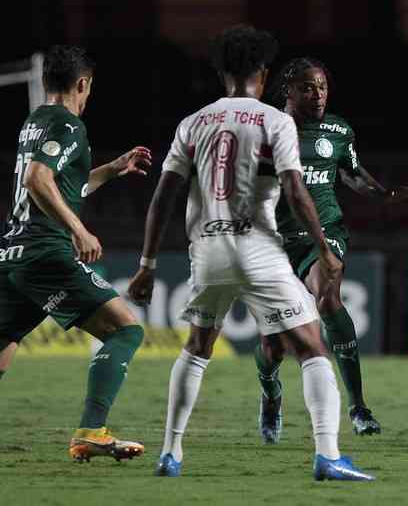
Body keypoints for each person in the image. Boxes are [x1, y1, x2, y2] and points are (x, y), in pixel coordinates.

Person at [127, 25, 374, 481]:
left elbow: (163, 197)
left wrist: (146, 264)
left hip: (207, 250)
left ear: (222, 73)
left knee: (197, 349)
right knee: (312, 348)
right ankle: (328, 456)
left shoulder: (192, 123)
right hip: (259, 246)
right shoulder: (274, 121)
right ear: (263, 74)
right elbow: (295, 191)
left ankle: (171, 453)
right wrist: (324, 248)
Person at [253, 57, 408, 442]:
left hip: (325, 233)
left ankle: (358, 407)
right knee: (274, 345)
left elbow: (350, 173)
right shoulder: (267, 128)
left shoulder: (338, 129)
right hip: (274, 240)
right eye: (308, 87)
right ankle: (270, 391)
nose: (318, 95)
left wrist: (383, 194)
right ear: (288, 92)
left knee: (328, 297)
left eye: (323, 87)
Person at [0, 45, 152, 462]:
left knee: (3, 346)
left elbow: (62, 187)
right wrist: (79, 229)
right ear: (82, 84)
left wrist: (114, 168)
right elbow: (38, 179)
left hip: (12, 253)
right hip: (44, 252)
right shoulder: (68, 124)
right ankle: (92, 430)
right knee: (126, 330)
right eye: (89, 90)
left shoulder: (33, 122)